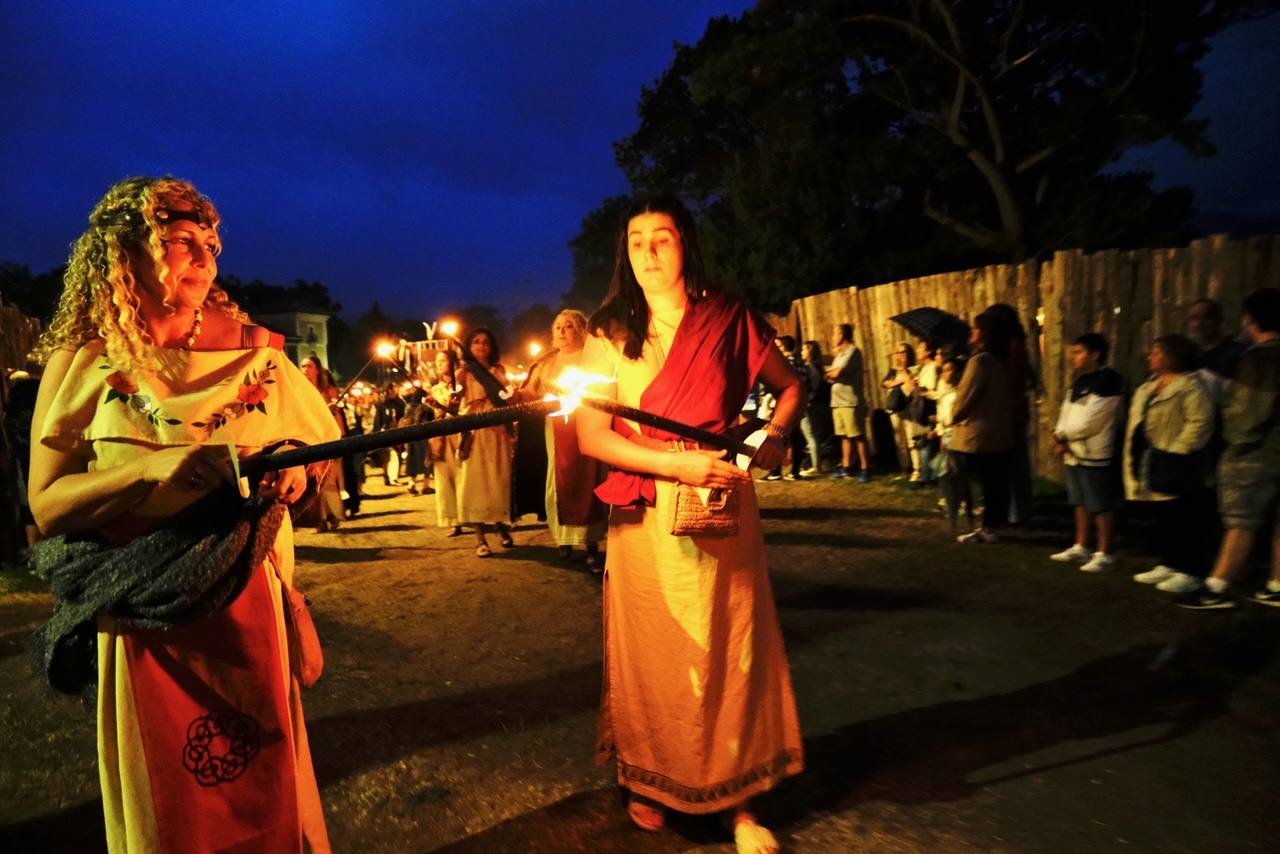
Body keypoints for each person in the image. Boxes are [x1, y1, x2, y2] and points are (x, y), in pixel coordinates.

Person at [26, 176, 336, 852]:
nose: (201, 256)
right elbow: (46, 507)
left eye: (209, 244)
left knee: (264, 783)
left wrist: (292, 466)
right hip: (142, 612)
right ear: (124, 252)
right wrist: (144, 470)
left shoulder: (259, 352)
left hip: (246, 603)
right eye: (178, 242)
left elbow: (318, 455)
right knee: (170, 801)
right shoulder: (81, 362)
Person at [576, 194, 803, 854]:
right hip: (644, 513)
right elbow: (594, 434)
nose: (648, 252)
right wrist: (673, 464)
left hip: (721, 510)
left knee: (730, 650)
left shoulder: (731, 318)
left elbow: (790, 387)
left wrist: (772, 436)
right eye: (637, 240)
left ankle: (740, 802)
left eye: (663, 238)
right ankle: (651, 780)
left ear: (687, 245)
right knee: (656, 653)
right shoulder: (608, 334)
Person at [1175, 288, 1280, 609]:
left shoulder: (1261, 357)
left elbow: (1249, 412)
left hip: (1259, 451)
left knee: (1240, 520)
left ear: (1252, 320)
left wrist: (1235, 440)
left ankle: (1217, 587)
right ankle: (1276, 584)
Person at [1122, 335, 1215, 590]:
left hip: (1177, 462)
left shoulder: (1190, 387)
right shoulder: (1149, 387)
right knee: (1162, 515)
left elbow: (1200, 422)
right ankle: (1169, 562)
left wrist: (1178, 449)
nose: (1150, 358)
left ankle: (1190, 570)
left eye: (1156, 353)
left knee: (1183, 516)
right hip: (1152, 459)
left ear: (1171, 356)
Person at [521, 309, 608, 570]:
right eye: (558, 326)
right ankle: (564, 541)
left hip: (590, 423)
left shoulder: (594, 359)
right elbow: (529, 391)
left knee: (589, 480)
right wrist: (514, 397)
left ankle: (591, 545)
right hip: (557, 427)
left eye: (568, 326)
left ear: (581, 330)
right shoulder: (546, 362)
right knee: (560, 480)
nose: (561, 331)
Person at [1049, 334, 1124, 573]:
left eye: (1079, 352)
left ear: (1095, 354)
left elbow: (1092, 421)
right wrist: (1058, 434)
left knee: (1100, 503)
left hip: (1094, 451)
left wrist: (1064, 436)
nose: (1074, 357)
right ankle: (1081, 544)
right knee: (1079, 500)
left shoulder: (1109, 381)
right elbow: (1066, 411)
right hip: (1073, 450)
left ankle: (1105, 551)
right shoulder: (1080, 381)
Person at [951, 311, 1013, 544]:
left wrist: (954, 415)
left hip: (978, 434)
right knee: (994, 481)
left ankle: (985, 527)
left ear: (984, 333)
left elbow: (965, 398)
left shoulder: (980, 361)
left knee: (983, 482)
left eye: (975, 329)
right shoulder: (1000, 359)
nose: (971, 332)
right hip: (997, 431)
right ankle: (992, 525)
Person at [457, 328, 515, 557]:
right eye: (476, 342)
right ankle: (480, 538)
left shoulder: (499, 371)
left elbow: (509, 395)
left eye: (485, 342)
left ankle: (501, 527)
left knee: (498, 480)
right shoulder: (464, 373)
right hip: (475, 431)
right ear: (469, 347)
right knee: (476, 481)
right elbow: (454, 397)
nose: (481, 346)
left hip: (497, 431)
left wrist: (511, 391)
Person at [301, 355, 346, 532]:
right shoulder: (299, 389)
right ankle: (321, 518)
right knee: (314, 480)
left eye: (309, 366)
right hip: (308, 437)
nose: (305, 369)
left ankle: (333, 515)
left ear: (317, 369)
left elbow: (337, 418)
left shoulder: (327, 391)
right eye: (303, 366)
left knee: (329, 479)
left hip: (326, 437)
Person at [427, 349, 464, 537]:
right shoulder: (435, 389)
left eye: (443, 360)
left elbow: (458, 410)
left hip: (459, 435)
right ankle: (453, 520)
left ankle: (470, 515)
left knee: (462, 476)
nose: (439, 364)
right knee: (445, 479)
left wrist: (443, 407)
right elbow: (436, 415)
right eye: (437, 361)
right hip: (442, 438)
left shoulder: (460, 385)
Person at [827, 323, 871, 481]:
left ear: (842, 335)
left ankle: (865, 468)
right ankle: (846, 467)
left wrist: (833, 374)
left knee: (858, 435)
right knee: (844, 436)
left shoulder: (853, 352)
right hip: (838, 401)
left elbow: (837, 372)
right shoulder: (839, 355)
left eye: (834, 334)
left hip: (850, 401)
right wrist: (832, 374)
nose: (832, 338)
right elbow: (830, 376)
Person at [799, 340, 828, 474]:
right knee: (811, 434)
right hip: (811, 403)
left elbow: (814, 387)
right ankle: (814, 463)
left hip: (810, 404)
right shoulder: (811, 366)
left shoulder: (811, 368)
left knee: (811, 434)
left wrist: (807, 400)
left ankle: (816, 466)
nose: (801, 352)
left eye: (804, 349)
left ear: (810, 351)